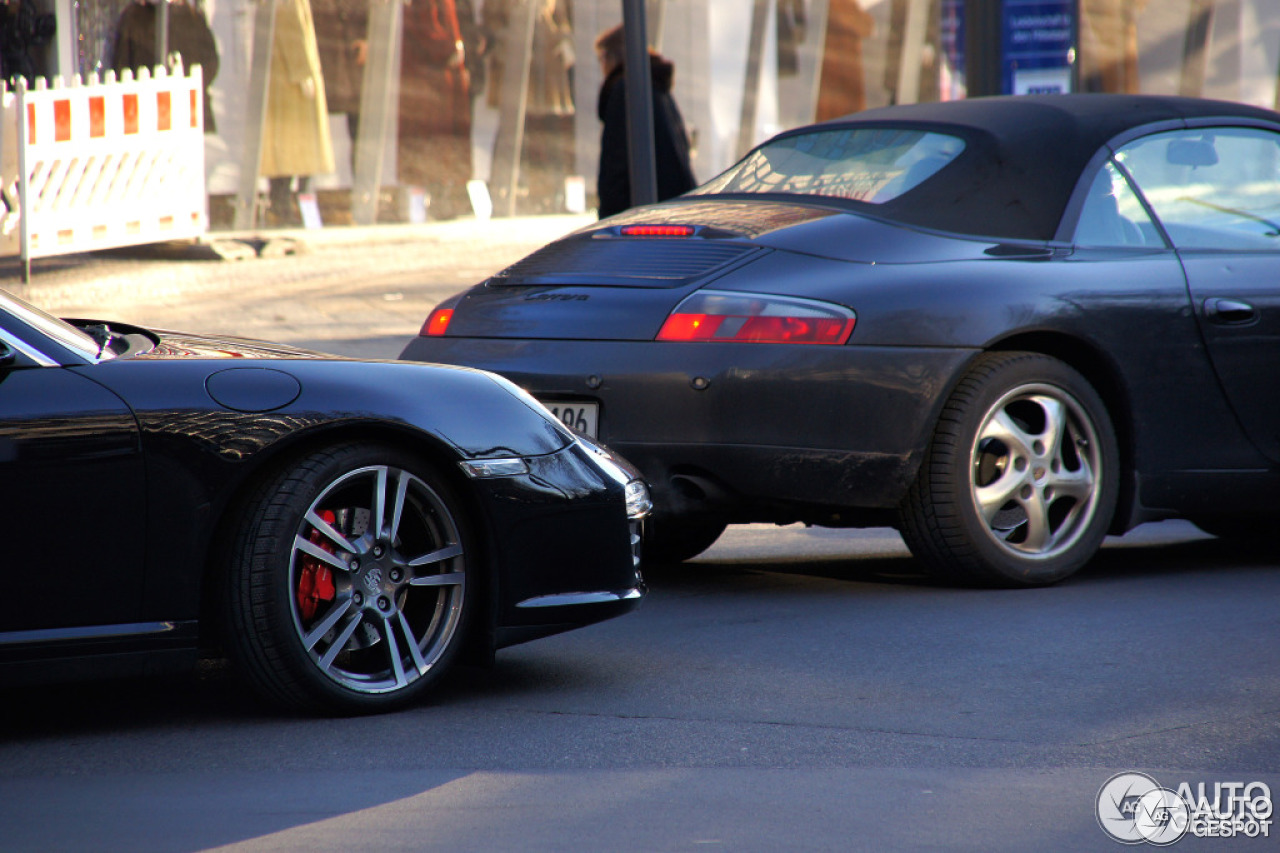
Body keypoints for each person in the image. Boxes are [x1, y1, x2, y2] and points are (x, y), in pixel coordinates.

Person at [593, 24, 695, 219]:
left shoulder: (626, 90)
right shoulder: (656, 87)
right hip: (675, 206)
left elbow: (616, 163)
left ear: (613, 57)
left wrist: (608, 219)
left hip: (642, 216)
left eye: (602, 57)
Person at [110, 0, 220, 132]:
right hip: (149, 117)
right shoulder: (134, 17)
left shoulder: (193, 18)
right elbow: (122, 64)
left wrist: (190, 86)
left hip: (191, 114)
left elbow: (210, 61)